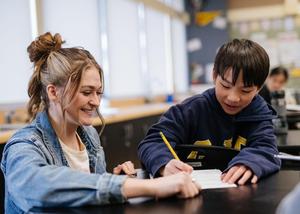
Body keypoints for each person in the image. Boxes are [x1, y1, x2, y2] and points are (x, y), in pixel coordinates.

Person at [0, 32, 200, 213]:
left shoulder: (89, 135)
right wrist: (149, 186)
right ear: (53, 92)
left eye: (98, 93)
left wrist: (119, 178)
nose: (95, 102)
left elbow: (89, 193)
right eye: (86, 92)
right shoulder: (24, 145)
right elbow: (37, 186)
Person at [138, 39, 281, 185]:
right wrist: (164, 164)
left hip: (238, 196)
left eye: (245, 90)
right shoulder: (191, 110)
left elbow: (266, 147)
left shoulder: (259, 112)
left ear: (259, 88)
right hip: (188, 193)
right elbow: (153, 141)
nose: (233, 98)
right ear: (214, 76)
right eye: (225, 86)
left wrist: (251, 163)